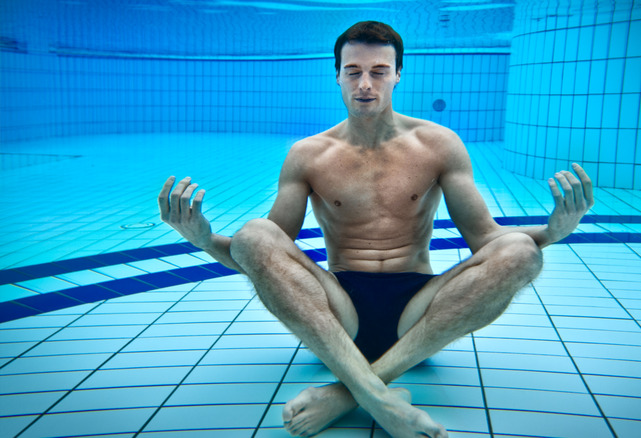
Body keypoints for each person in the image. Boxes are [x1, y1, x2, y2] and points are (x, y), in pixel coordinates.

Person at [158, 21, 593, 438]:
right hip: (336, 312)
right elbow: (264, 256)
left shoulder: (438, 144)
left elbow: (488, 240)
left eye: (379, 72)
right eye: (354, 72)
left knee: (521, 252)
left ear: (398, 75)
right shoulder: (309, 154)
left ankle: (350, 392)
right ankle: (382, 398)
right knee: (255, 233)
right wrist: (201, 238)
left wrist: (554, 230)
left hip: (421, 314)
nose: (365, 84)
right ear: (338, 78)